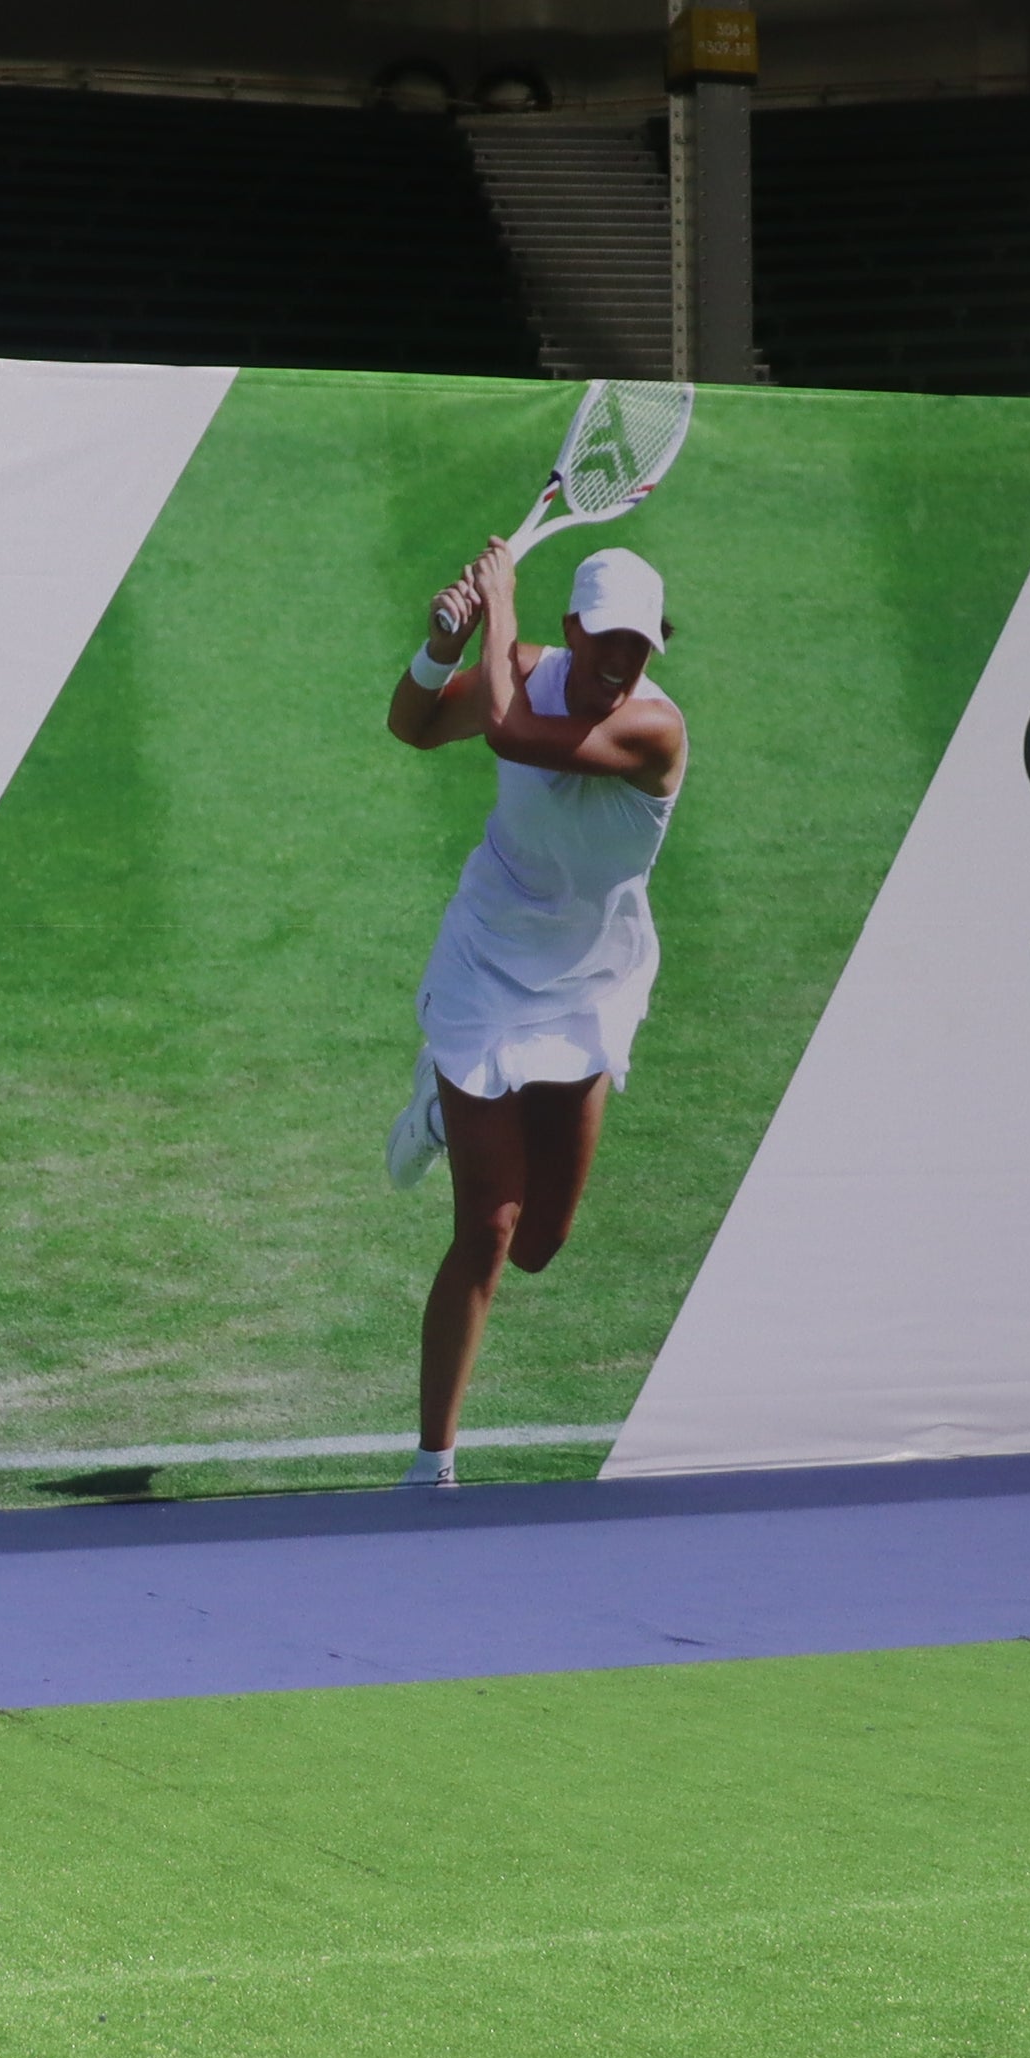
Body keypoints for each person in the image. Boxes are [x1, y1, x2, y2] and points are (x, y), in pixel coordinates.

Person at [384, 535, 685, 1485]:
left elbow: (513, 735)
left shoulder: (654, 730)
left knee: (542, 1243)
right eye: (607, 639)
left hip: (591, 986)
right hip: (486, 967)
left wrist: (498, 598)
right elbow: (415, 726)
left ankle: (443, 1112)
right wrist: (442, 645)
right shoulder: (520, 670)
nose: (620, 660)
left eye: (639, 644)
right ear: (573, 630)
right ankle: (432, 1465)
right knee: (490, 1226)